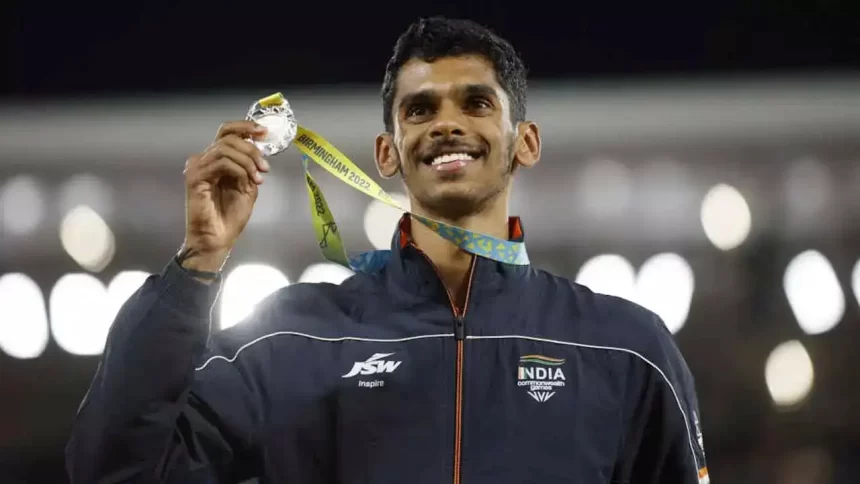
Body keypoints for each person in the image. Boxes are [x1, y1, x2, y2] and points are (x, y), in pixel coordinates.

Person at [66, 16, 709, 484]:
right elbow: (117, 471)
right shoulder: (289, 340)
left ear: (525, 142)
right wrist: (196, 263)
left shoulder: (626, 349)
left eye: (477, 103)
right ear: (388, 154)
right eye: (419, 110)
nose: (447, 124)